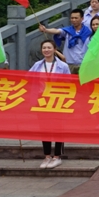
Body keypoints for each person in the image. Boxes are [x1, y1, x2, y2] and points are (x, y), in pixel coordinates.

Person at [28, 39, 70, 169]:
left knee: (58, 127)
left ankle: (57, 156)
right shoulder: (37, 65)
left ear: (54, 49)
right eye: (44, 48)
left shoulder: (63, 66)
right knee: (44, 128)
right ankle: (47, 156)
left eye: (49, 47)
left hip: (57, 98)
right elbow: (27, 78)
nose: (46, 50)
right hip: (42, 100)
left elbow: (69, 83)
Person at [39, 9, 91, 74]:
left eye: (76, 18)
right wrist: (46, 30)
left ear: (82, 18)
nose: (73, 20)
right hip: (68, 63)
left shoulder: (88, 32)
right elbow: (57, 31)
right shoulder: (68, 31)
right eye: (72, 18)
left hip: (83, 63)